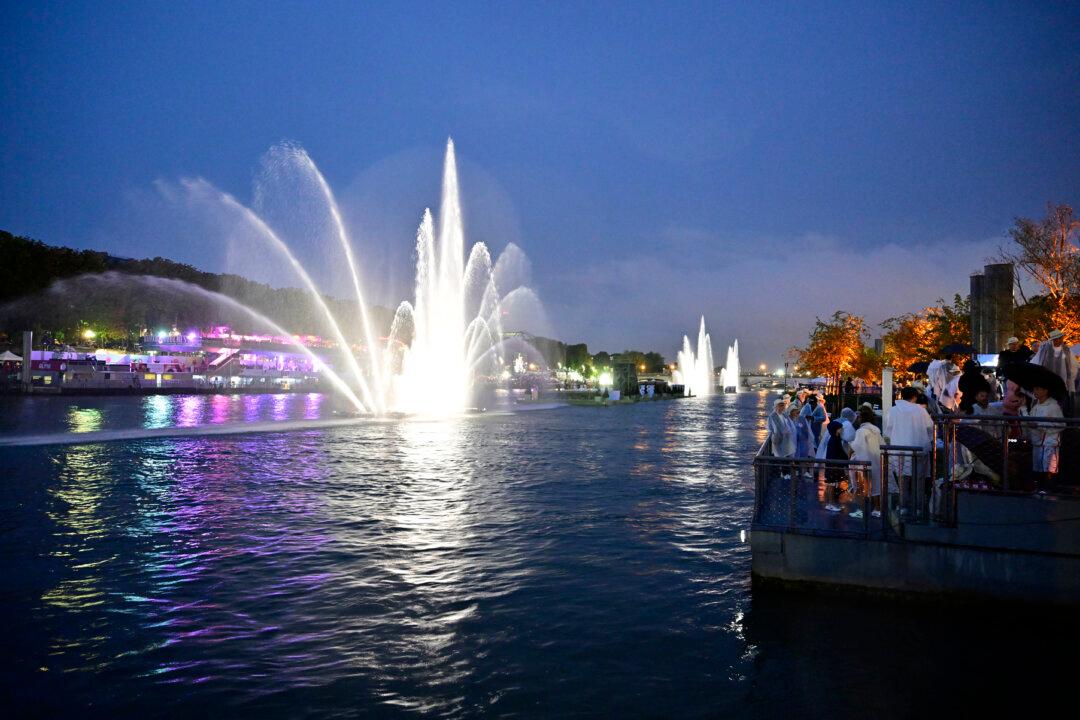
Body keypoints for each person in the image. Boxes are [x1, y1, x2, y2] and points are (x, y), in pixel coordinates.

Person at [883, 386, 934, 516]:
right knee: (919, 479)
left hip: (899, 450)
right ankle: (918, 508)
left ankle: (903, 506)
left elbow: (888, 430)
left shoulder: (894, 411)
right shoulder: (921, 410)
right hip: (919, 449)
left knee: (902, 479)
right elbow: (930, 428)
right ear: (914, 397)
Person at [1026, 383, 1064, 489]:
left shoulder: (1053, 406)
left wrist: (1039, 425)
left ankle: (1049, 489)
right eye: (1034, 389)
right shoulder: (1035, 405)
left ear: (1045, 391)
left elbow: (1061, 425)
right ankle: (1040, 488)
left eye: (1038, 389)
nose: (1035, 391)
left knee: (1049, 466)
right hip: (1037, 442)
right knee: (1038, 466)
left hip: (1050, 442)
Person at [850, 405, 883, 517]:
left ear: (861, 418)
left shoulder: (861, 431)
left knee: (862, 488)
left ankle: (861, 511)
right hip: (877, 462)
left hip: (864, 463)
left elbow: (857, 447)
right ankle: (878, 509)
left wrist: (851, 446)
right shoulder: (876, 430)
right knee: (877, 487)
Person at [1031, 329, 1078, 396]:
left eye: (1060, 338)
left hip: (1063, 380)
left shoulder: (1067, 350)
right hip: (1048, 379)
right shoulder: (1045, 350)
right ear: (1052, 340)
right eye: (1055, 339)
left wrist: (1071, 378)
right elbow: (1037, 362)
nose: (1058, 340)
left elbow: (1073, 365)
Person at [823, 420, 849, 512]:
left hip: (833, 466)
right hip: (833, 466)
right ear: (836, 429)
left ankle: (830, 503)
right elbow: (838, 453)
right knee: (831, 485)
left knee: (831, 485)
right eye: (839, 428)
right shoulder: (834, 440)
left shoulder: (835, 439)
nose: (841, 430)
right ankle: (830, 503)